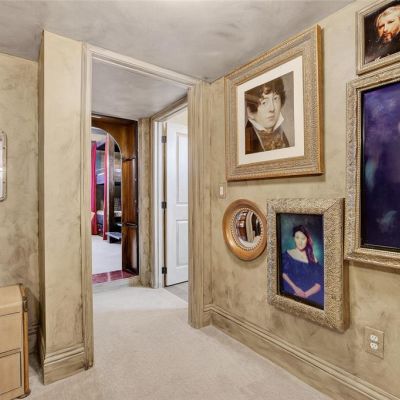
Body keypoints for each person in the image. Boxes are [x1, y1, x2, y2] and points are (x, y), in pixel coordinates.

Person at [280, 225, 324, 308]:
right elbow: (283, 274)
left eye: (303, 238)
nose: (300, 242)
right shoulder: (287, 255)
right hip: (291, 294)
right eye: (297, 238)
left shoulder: (313, 259)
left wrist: (305, 295)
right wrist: (296, 289)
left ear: (307, 240)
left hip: (310, 298)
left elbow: (318, 285)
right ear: (294, 238)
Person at [245, 77, 289, 154]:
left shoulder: (281, 134)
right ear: (249, 112)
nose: (272, 108)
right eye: (264, 102)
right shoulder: (247, 138)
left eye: (275, 98)